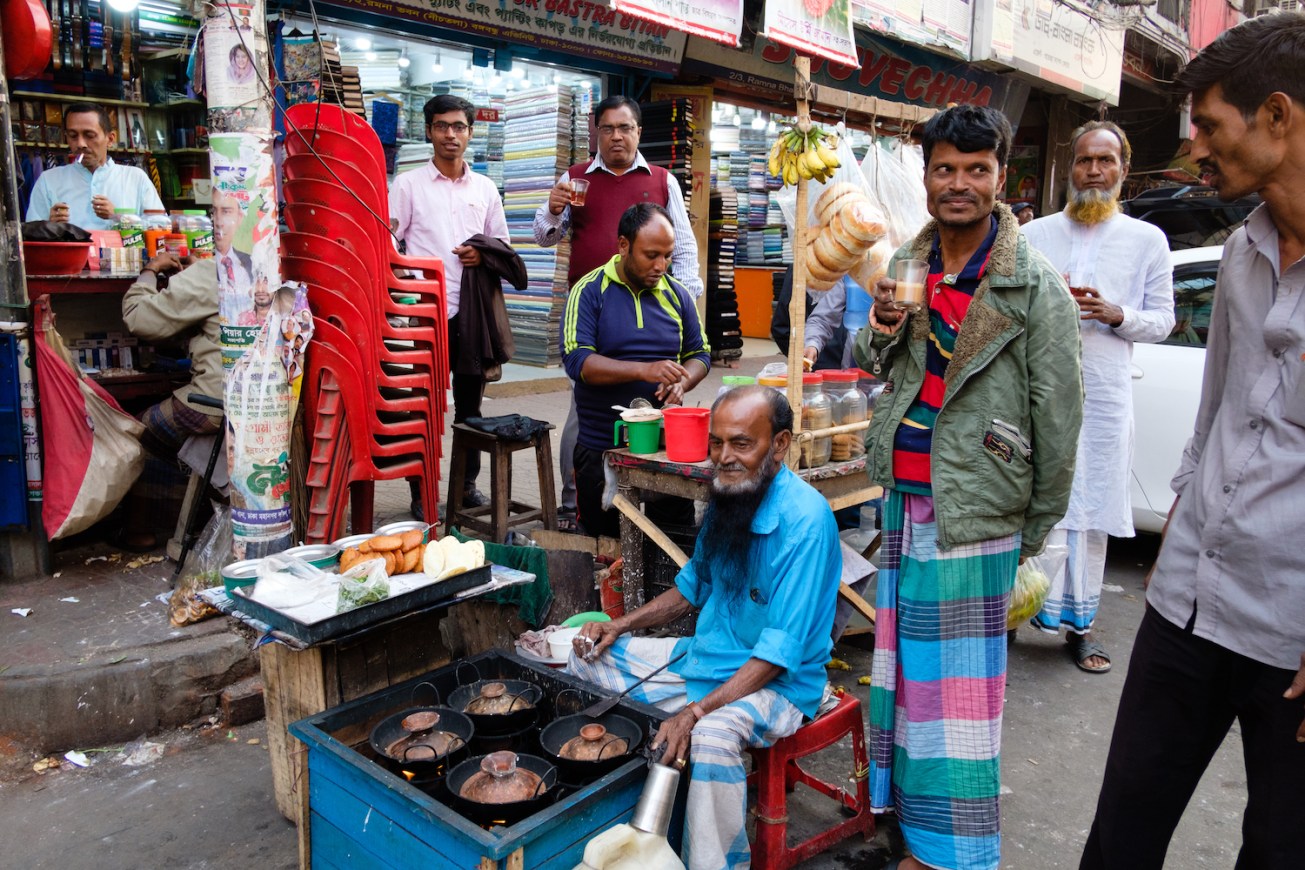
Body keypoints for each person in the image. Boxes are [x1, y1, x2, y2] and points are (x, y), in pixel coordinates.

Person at [1079, 16, 1305, 869]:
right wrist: (1180, 515)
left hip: (1291, 630)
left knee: (1280, 848)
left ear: (1275, 115)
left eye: (1208, 124)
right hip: (1188, 602)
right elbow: (1214, 412)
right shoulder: (1241, 252)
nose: (1195, 151)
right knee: (1121, 831)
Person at [853, 104, 1083, 870]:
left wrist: (1030, 532)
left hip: (976, 514)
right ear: (924, 178)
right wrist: (881, 324)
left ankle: (952, 854)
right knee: (906, 686)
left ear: (1000, 178)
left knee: (955, 701)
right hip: (906, 500)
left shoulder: (1030, 286)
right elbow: (878, 364)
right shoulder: (911, 264)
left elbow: (1058, 419)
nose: (958, 184)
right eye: (944, 169)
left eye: (975, 170)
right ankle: (912, 829)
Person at [568, 385, 840, 870]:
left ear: (778, 445)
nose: (724, 457)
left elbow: (778, 658)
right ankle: (639, 809)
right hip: (710, 658)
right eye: (717, 443)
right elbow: (690, 590)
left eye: (741, 444)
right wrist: (618, 625)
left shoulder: (807, 523)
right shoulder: (729, 496)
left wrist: (694, 714)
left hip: (778, 685)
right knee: (584, 656)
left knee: (712, 737)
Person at [1021, 121, 1174, 673]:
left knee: (1091, 510)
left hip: (1106, 398)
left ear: (1122, 171)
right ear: (1070, 169)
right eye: (1084, 160)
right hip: (1039, 393)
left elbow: (1163, 320)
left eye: (1104, 161)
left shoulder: (1146, 240)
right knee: (1035, 502)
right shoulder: (1036, 235)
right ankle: (1020, 610)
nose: (1092, 171)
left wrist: (1116, 314)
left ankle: (1080, 627)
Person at [534, 95, 704, 532]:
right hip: (596, 310)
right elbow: (543, 236)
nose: (616, 137)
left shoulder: (662, 181)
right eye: (608, 129)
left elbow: (682, 246)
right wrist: (554, 209)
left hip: (653, 311)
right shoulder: (575, 178)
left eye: (625, 128)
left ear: (637, 133)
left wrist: (679, 298)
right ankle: (579, 504)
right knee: (584, 423)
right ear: (597, 133)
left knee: (671, 528)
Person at [390, 94, 510, 517]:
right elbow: (388, 238)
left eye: (459, 126)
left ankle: (467, 486)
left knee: (470, 403)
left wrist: (482, 255)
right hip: (423, 310)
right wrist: (403, 273)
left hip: (471, 313)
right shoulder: (407, 184)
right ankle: (420, 490)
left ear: (471, 133)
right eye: (441, 126)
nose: (450, 134)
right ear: (428, 132)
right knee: (420, 405)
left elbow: (502, 243)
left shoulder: (485, 188)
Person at [560, 203, 710, 539]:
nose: (661, 265)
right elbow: (578, 361)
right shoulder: (589, 291)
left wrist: (683, 382)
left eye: (668, 256)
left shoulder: (678, 295)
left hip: (666, 450)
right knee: (605, 549)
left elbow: (700, 354)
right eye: (651, 255)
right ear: (624, 245)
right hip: (601, 448)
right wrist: (644, 370)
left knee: (671, 544)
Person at [119, 252, 222, 550]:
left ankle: (139, 531)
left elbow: (140, 319)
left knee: (139, 432)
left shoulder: (215, 271)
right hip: (272, 401)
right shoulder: (278, 268)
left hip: (215, 405)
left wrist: (150, 270)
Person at [26, 103, 164, 231]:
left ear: (110, 139)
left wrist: (119, 217)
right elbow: (30, 234)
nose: (80, 144)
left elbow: (161, 227)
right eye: (73, 136)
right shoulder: (49, 180)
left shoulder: (135, 178)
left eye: (89, 135)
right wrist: (49, 226)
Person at [212, 188, 255, 323]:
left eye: (226, 212)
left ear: (239, 218)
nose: (218, 222)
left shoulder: (251, 262)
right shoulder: (203, 264)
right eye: (213, 211)